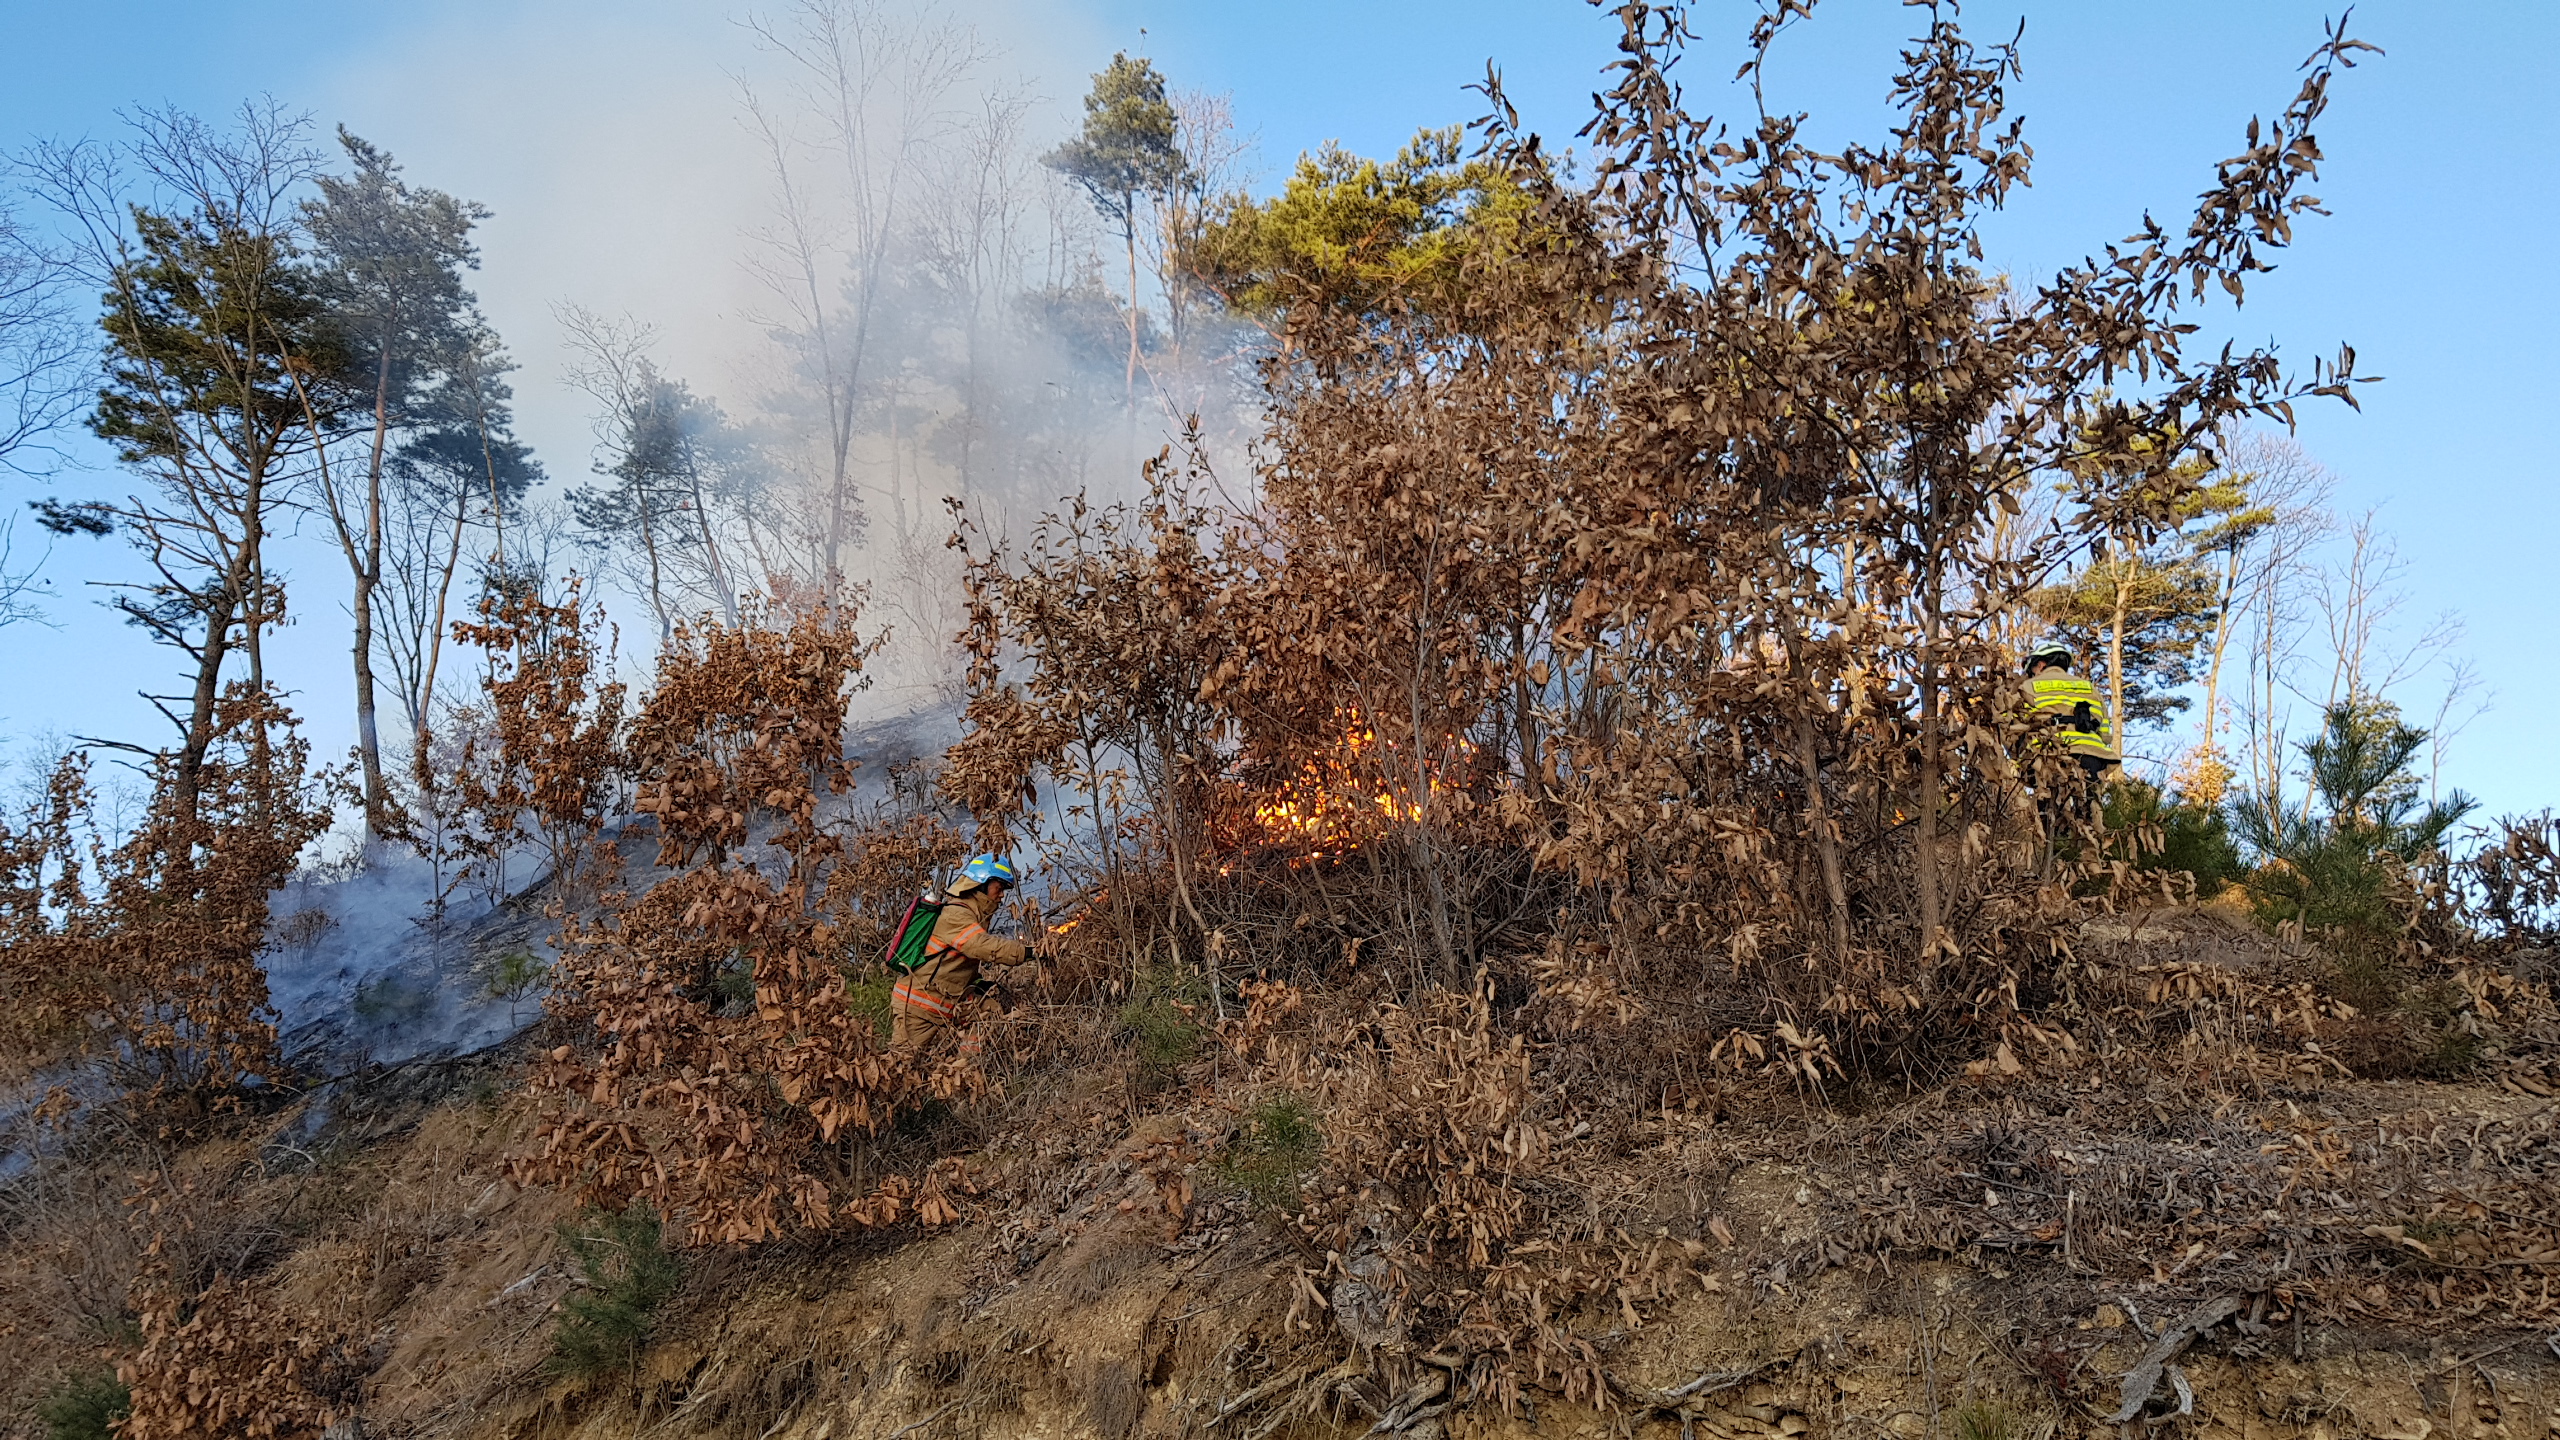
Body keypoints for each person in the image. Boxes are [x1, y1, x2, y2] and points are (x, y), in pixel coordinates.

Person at [889, 854, 1046, 1052]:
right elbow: (982, 946)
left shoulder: (973, 915)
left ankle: (969, 1066)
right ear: (981, 884)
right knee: (903, 1062)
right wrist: (1028, 952)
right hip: (918, 1004)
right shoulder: (956, 914)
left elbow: (954, 960)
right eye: (999, 888)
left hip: (946, 999)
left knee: (989, 1012)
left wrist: (975, 983)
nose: (1002, 895)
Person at [2022, 640, 2117, 834]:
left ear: (2041, 664)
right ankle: (2090, 849)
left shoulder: (2028, 687)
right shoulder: (2089, 688)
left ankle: (2054, 849)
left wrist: (2022, 763)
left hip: (2050, 757)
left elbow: (2013, 729)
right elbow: (2106, 733)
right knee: (2090, 817)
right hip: (2092, 758)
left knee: (2049, 817)